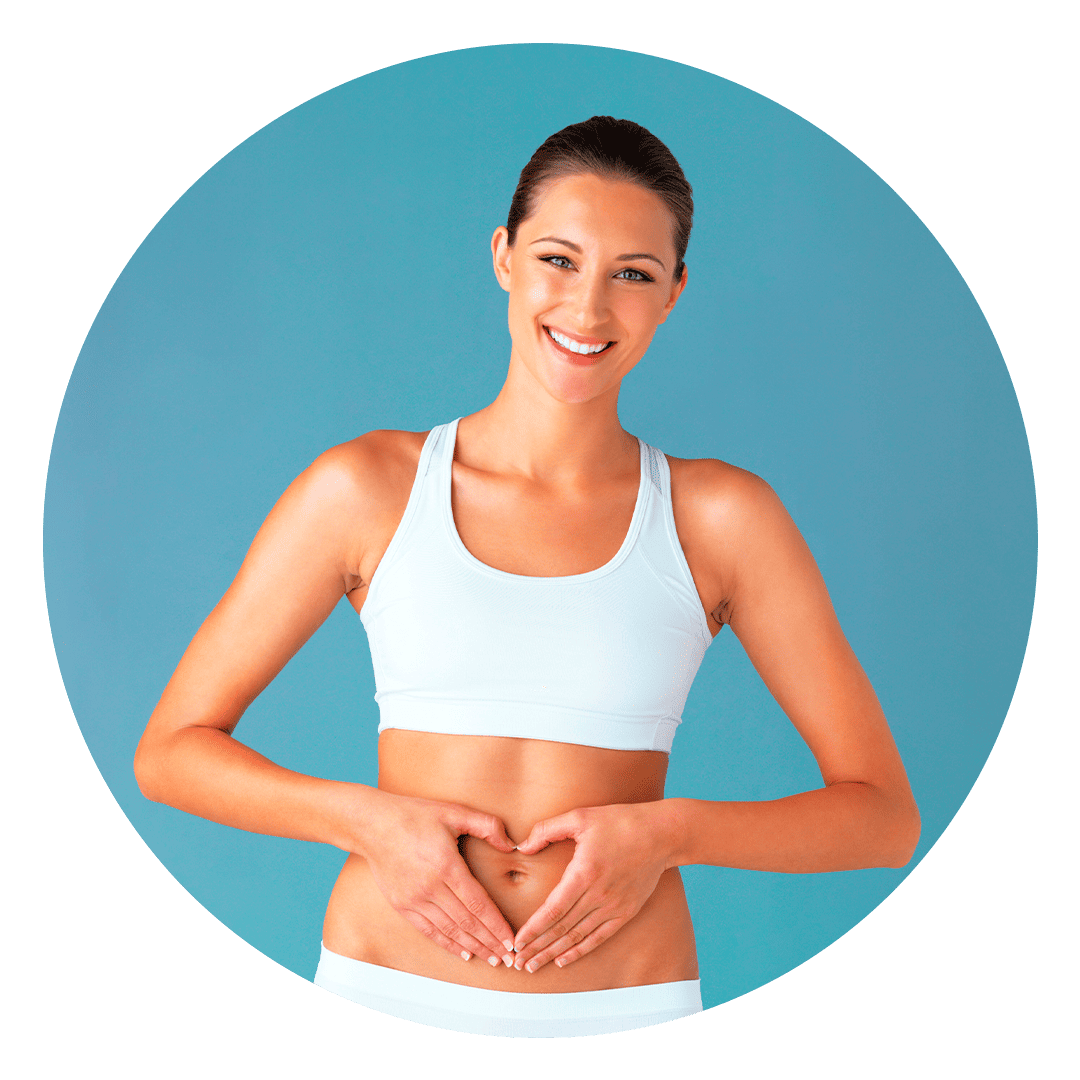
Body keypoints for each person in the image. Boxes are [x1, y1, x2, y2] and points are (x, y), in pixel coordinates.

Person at [134, 116, 920, 1038]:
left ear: (674, 292)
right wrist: (367, 821)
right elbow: (171, 752)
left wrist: (669, 832)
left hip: (627, 1003)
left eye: (634, 274)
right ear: (504, 256)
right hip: (381, 985)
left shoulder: (720, 518)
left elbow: (883, 820)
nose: (588, 309)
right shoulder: (368, 489)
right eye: (558, 259)